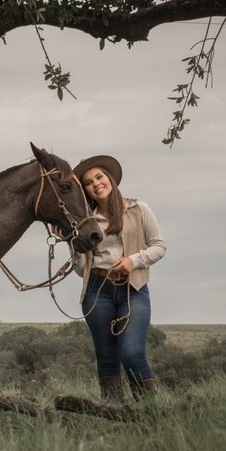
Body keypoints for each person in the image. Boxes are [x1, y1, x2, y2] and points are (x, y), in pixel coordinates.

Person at [71, 155, 166, 401]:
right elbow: (81, 269)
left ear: (110, 178)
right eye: (88, 183)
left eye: (99, 177)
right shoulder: (86, 222)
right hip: (96, 289)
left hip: (133, 288)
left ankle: (149, 411)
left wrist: (132, 261)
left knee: (132, 353)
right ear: (86, 191)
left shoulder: (138, 208)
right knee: (106, 356)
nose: (96, 184)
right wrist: (72, 243)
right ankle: (114, 413)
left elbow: (159, 247)